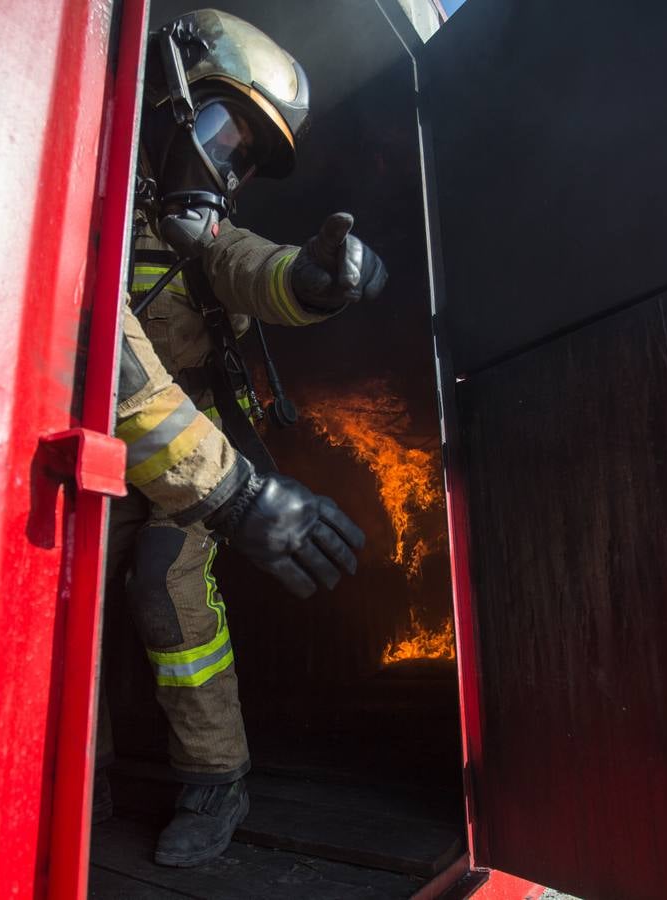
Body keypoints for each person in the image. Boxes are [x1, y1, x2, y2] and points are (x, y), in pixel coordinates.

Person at [94, 9, 389, 868]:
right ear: (165, 103)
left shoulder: (193, 224)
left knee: (166, 581)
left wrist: (315, 278)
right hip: (124, 437)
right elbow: (103, 355)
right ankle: (86, 769)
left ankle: (216, 778)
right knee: (72, 589)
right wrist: (243, 497)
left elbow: (244, 264)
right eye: (224, 133)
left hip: (191, 435)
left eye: (245, 158)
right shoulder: (82, 194)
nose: (228, 167)